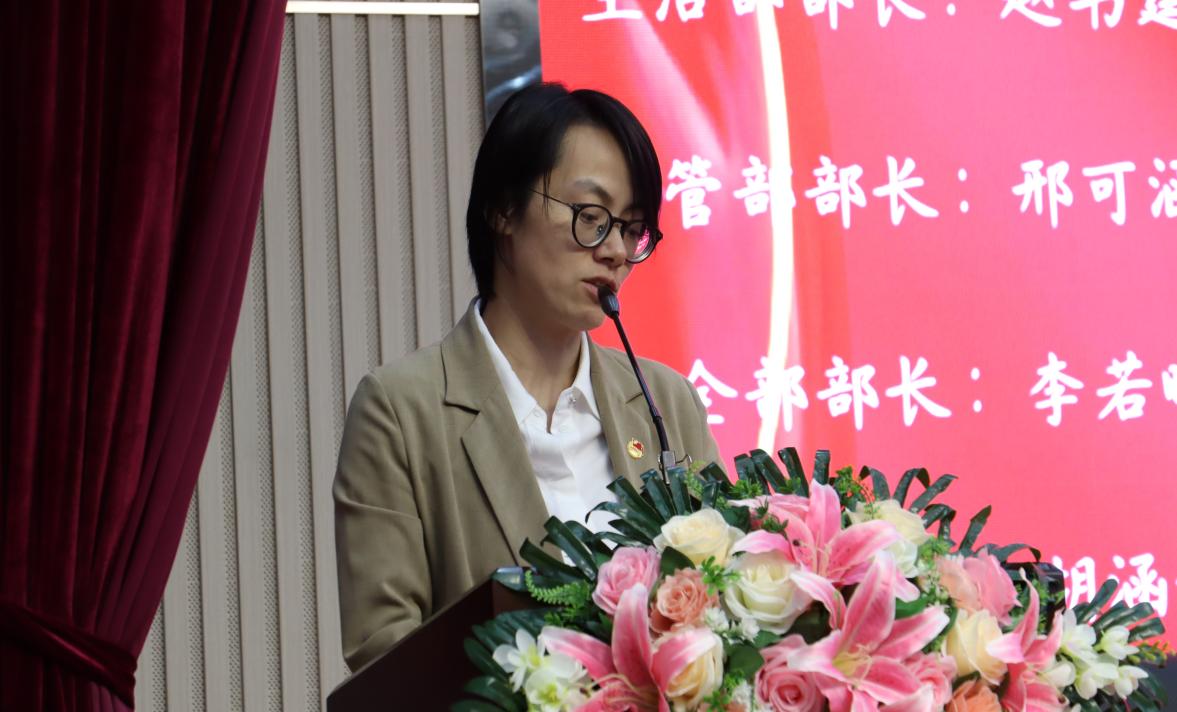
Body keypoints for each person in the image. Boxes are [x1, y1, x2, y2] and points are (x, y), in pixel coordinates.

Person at [333, 83, 721, 671]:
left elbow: (720, 598)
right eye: (591, 217)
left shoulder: (666, 403)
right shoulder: (400, 413)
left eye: (631, 228)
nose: (615, 251)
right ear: (503, 209)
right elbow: (385, 661)